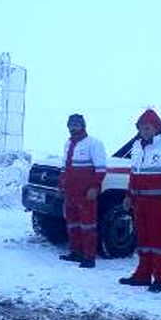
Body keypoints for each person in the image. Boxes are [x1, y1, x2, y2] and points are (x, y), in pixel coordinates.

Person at [119, 108, 161, 292]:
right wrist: (129, 195)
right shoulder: (136, 147)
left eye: (148, 127)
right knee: (143, 240)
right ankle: (143, 275)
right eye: (141, 128)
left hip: (160, 203)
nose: (145, 131)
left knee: (159, 242)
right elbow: (134, 174)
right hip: (140, 202)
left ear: (157, 128)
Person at [58, 113, 107, 268]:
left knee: (88, 225)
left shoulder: (94, 144)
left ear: (83, 126)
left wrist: (94, 187)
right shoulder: (68, 144)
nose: (74, 128)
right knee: (72, 223)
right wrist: (62, 185)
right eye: (71, 125)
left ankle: (89, 256)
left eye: (77, 125)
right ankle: (76, 252)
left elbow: (101, 169)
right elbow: (65, 168)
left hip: (86, 192)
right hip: (70, 192)